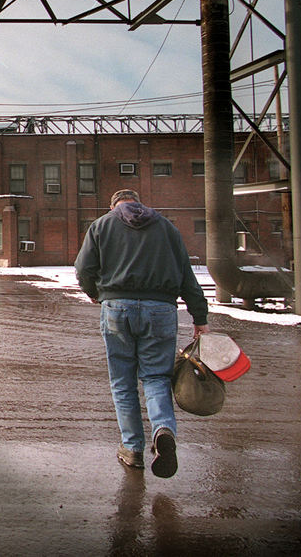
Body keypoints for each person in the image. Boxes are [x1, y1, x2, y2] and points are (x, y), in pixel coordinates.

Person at [74, 189, 209, 478]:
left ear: (114, 206)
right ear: (138, 203)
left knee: (123, 382)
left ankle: (132, 448)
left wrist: (96, 293)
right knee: (156, 377)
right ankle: (162, 430)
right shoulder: (167, 227)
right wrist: (200, 317)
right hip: (160, 309)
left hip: (116, 308)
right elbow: (187, 275)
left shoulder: (101, 225)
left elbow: (83, 268)